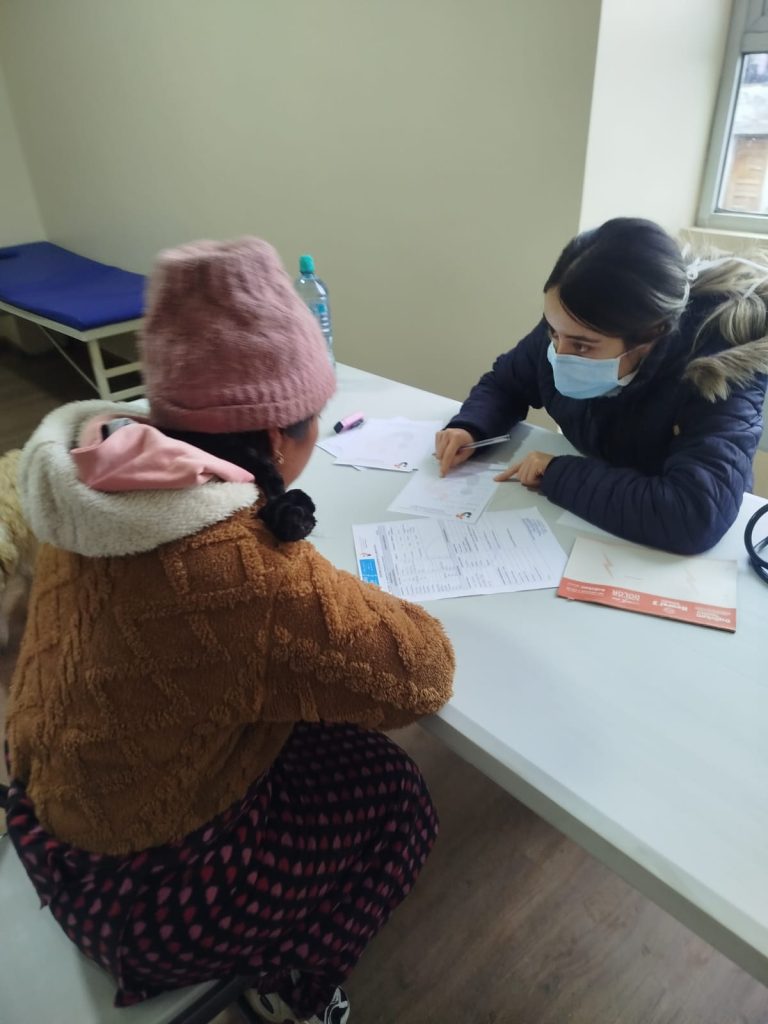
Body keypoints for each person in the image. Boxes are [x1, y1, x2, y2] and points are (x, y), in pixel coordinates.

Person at [5, 237, 455, 1024]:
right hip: (144, 899)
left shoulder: (99, 476)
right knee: (398, 798)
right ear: (279, 438)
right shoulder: (234, 565)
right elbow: (422, 675)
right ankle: (295, 985)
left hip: (45, 811)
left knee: (304, 711)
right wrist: (315, 582)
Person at [435, 218, 768, 555]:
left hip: (661, 553)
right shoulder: (573, 322)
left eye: (582, 347)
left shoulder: (720, 369)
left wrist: (556, 472)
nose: (558, 355)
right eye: (552, 332)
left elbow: (694, 514)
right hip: (596, 518)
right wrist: (472, 427)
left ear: (651, 335)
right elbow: (506, 383)